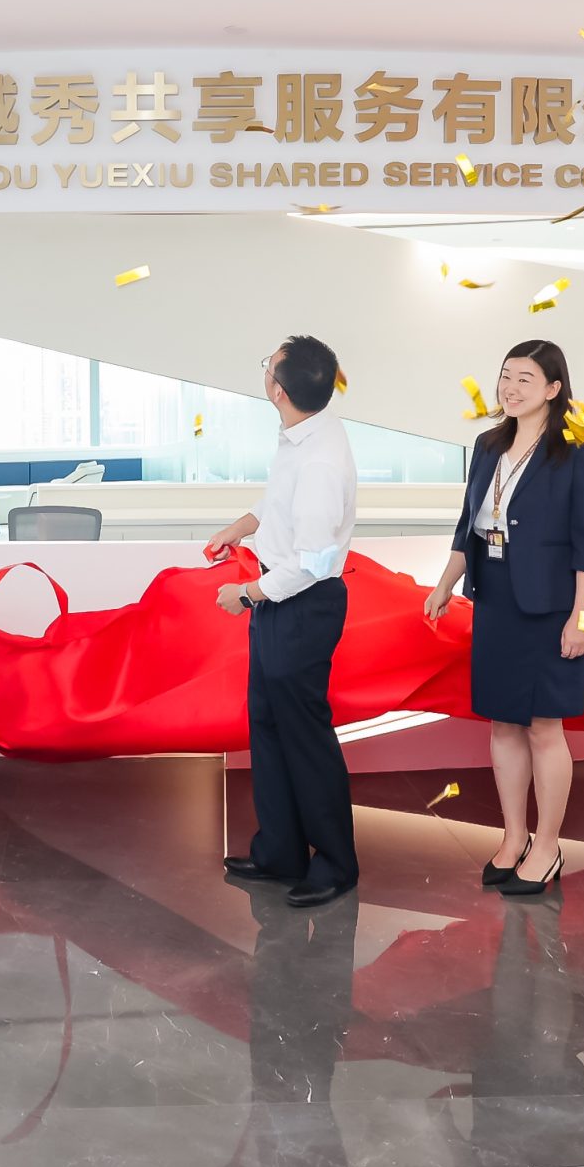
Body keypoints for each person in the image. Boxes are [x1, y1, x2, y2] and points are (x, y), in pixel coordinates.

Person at [422, 340, 584, 898]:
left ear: (553, 388)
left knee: (544, 727)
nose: (510, 388)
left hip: (551, 605)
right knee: (502, 723)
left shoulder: (578, 449)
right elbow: (469, 525)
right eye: (505, 376)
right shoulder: (488, 444)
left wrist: (581, 618)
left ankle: (548, 846)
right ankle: (513, 836)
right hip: (495, 598)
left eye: (525, 379)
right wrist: (445, 583)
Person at [213, 336, 362, 909]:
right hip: (284, 600)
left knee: (304, 738)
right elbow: (281, 501)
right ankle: (280, 851)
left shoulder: (320, 459)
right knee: (269, 727)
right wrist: (241, 527)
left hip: (301, 604)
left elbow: (314, 563)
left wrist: (247, 595)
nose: (265, 373)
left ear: (278, 389)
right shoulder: (305, 431)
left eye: (268, 366)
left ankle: (336, 863)